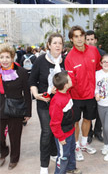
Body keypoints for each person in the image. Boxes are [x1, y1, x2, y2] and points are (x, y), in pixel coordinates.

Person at [29, 33, 65, 174]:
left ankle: (53, 152)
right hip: (44, 103)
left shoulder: (65, 61)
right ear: (48, 45)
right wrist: (36, 95)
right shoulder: (40, 61)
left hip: (60, 104)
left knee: (57, 130)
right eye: (54, 43)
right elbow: (32, 81)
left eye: (60, 43)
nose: (57, 46)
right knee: (46, 131)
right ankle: (44, 165)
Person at [64, 26, 101, 162]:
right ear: (71, 39)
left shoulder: (93, 50)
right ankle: (76, 147)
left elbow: (98, 69)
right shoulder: (69, 58)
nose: (79, 39)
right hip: (75, 97)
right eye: (76, 36)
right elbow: (70, 79)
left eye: (81, 35)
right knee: (75, 122)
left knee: (88, 120)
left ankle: (84, 144)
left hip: (91, 95)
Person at [0, 44, 32, 170]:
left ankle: (14, 158)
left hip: (16, 108)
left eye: (7, 57)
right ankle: (3, 152)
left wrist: (28, 112)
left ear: (12, 57)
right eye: (1, 57)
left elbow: (27, 93)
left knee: (15, 136)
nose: (4, 60)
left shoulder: (22, 72)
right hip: (0, 108)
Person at [49, 71, 82, 174]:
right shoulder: (57, 101)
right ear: (66, 85)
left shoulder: (66, 92)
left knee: (71, 150)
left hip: (70, 130)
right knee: (63, 156)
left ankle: (71, 168)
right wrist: (60, 137)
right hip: (63, 134)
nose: (72, 79)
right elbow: (54, 123)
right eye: (70, 79)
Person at [85, 30, 104, 143]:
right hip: (87, 88)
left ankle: (98, 131)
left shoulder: (102, 53)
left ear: (96, 40)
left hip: (100, 88)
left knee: (100, 111)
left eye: (92, 39)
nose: (90, 42)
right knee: (88, 112)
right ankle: (89, 133)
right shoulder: (81, 54)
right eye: (88, 40)